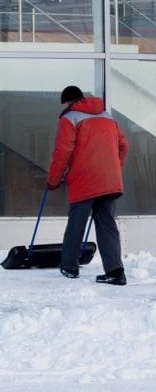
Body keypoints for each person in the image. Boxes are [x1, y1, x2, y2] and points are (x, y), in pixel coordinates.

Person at [47, 86, 129, 285]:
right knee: (107, 224)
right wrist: (115, 168)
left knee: (77, 223)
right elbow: (124, 145)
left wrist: (53, 180)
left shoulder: (70, 118)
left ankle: (69, 267)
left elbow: (62, 152)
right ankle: (115, 272)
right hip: (109, 180)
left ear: (69, 102)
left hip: (84, 179)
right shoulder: (107, 116)